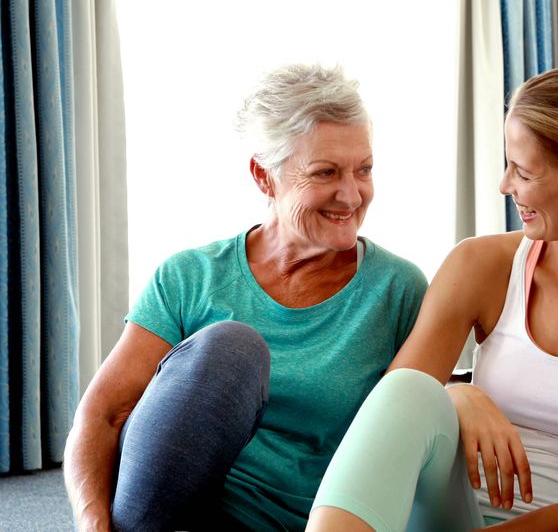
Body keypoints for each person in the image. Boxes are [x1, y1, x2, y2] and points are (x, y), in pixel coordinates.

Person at [306, 64, 558, 531]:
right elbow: (392, 410)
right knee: (409, 389)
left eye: (522, 172)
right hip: (448, 508)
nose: (505, 186)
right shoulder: (483, 265)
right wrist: (458, 395)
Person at [63, 64, 428, 531]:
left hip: (294, 523)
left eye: (364, 169)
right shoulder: (190, 276)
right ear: (264, 176)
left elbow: (414, 430)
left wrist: (466, 401)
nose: (351, 195)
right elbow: (104, 414)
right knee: (231, 349)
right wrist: (91, 523)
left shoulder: (398, 291)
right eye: (325, 173)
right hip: (169, 512)